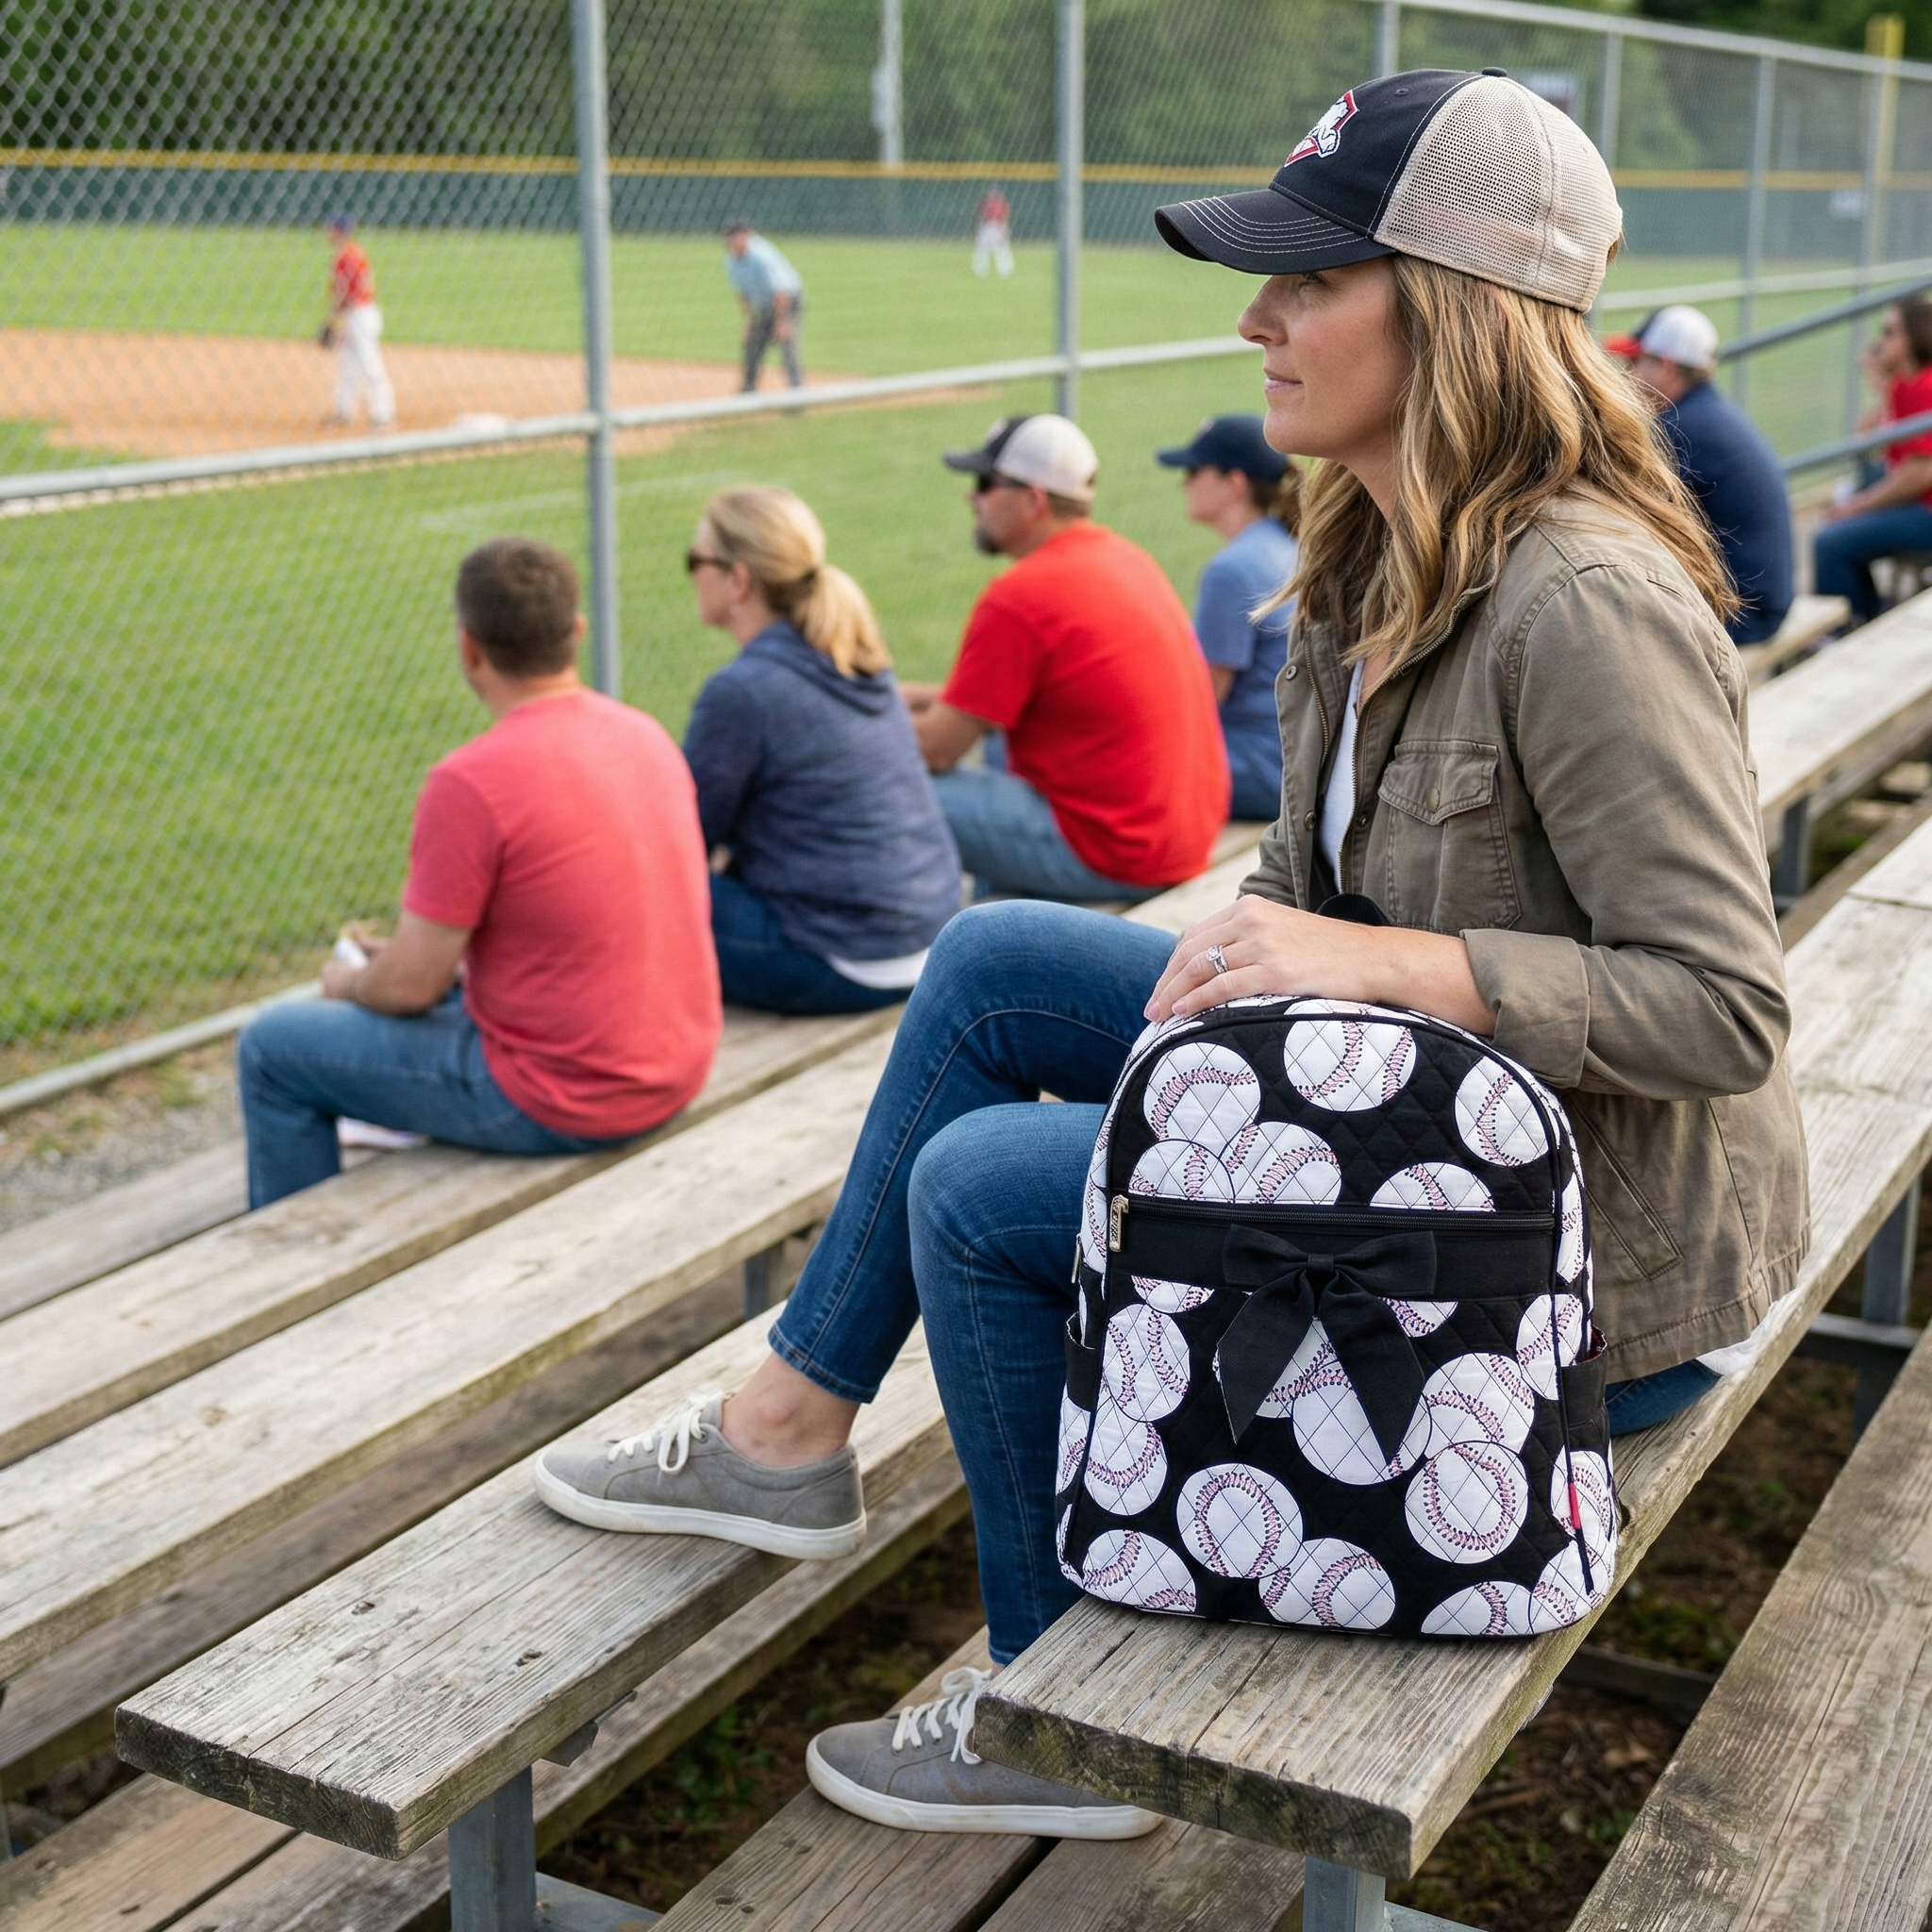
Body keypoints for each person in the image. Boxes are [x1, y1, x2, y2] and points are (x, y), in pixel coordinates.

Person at [533, 69, 1806, 1837]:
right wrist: (1271, 970)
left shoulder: (1581, 595)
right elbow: (1306, 888)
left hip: (1558, 1261)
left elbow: (1723, 1007)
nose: (1252, 318)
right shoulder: (1363, 543)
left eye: (1305, 280)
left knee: (980, 1188)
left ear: (1449, 317)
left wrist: (1388, 969)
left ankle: (1062, 1718)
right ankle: (786, 1428)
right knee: (988, 968)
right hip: (1401, 1132)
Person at [237, 539, 721, 1209]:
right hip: (676, 1068)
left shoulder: (469, 780)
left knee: (271, 1046)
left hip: (562, 1098)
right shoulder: (643, 734)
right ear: (575, 633)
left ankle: (287, 1278)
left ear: (469, 648)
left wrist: (348, 983)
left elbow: (408, 987)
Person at [899, 412, 1228, 903]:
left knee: (886, 790)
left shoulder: (1019, 595)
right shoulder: (1125, 557)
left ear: (1033, 500)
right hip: (1183, 834)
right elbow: (987, 703)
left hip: (1121, 853)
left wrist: (837, 717)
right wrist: (896, 695)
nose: (973, 497)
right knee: (994, 748)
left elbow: (935, 749)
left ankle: (879, 954)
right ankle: (998, 911)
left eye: (985, 483)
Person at [682, 486, 962, 1013]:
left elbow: (684, 838)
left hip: (843, 960)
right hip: (928, 942)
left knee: (642, 877)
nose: (692, 572)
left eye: (695, 559)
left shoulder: (741, 692)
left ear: (738, 581)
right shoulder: (851, 654)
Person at [1605, 306, 1792, 646]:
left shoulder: (1681, 428)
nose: (1628, 376)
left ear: (1665, 366)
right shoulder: (1704, 414)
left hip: (1743, 615)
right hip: (1761, 603)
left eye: (1635, 363)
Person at [1156, 412, 1300, 818]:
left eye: (1194, 470)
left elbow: (1201, 701)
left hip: (1258, 768)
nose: (1184, 482)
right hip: (1292, 762)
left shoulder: (1231, 570)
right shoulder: (1283, 543)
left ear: (1234, 484)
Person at [1814, 294, 1932, 625]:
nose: (1881, 342)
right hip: (1919, 501)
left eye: (1891, 332)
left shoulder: (1926, 385)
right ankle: (1866, 616)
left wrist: (1857, 507)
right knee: (1843, 515)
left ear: (1914, 337)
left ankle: (1844, 629)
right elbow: (1866, 436)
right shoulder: (1904, 384)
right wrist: (1878, 378)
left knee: (1831, 541)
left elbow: (1921, 474)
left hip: (1927, 511)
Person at [321, 215, 394, 429]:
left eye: (330, 228)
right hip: (357, 314)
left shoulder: (347, 256)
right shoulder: (351, 253)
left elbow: (348, 293)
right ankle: (343, 411)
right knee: (348, 365)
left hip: (360, 315)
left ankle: (383, 413)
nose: (327, 232)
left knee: (370, 364)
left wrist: (333, 318)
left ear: (339, 231)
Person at [723, 221, 804, 392]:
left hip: (788, 300)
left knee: (786, 343)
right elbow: (743, 294)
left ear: (746, 237)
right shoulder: (731, 260)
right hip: (765, 304)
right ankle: (748, 389)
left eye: (735, 239)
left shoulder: (762, 255)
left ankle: (797, 392)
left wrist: (782, 321)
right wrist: (749, 322)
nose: (731, 244)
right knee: (753, 344)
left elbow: (782, 290)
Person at [974, 187, 1014, 278]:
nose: (992, 196)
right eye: (991, 194)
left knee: (1002, 249)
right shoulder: (985, 203)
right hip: (987, 227)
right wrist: (980, 228)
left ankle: (1006, 270)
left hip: (998, 226)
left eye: (994, 194)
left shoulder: (1001, 203)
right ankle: (980, 270)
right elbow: (981, 217)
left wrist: (1004, 230)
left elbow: (1005, 217)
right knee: (982, 249)